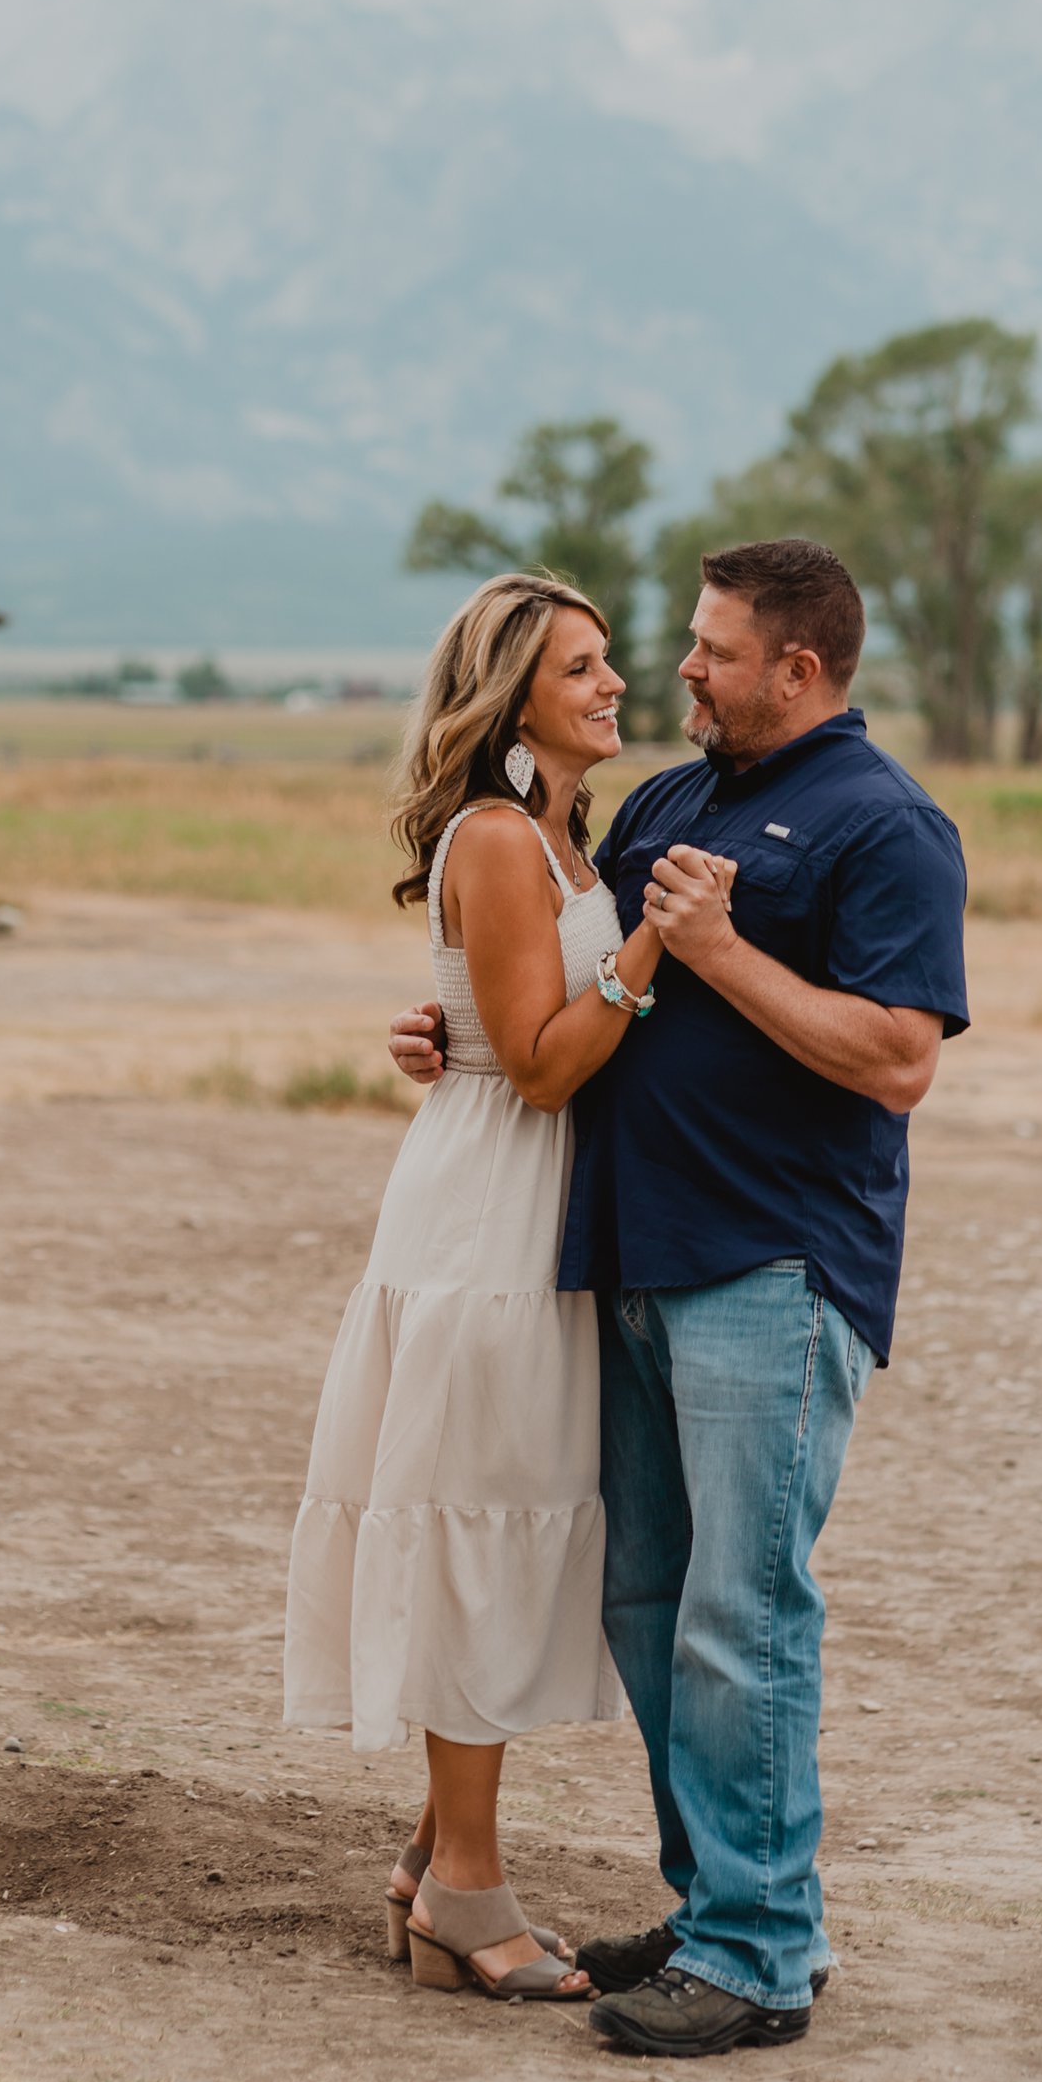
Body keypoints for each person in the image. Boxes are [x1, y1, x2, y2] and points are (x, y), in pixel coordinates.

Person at [389, 537, 968, 2057]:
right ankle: (723, 1905)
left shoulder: (886, 825)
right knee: (652, 1611)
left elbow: (900, 1059)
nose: (680, 672)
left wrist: (714, 949)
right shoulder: (671, 803)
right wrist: (452, 1034)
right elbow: (569, 993)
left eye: (714, 650)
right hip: (625, 1263)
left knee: (743, 1611)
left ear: (801, 666)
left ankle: (763, 1955)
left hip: (769, 1269)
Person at [283, 572, 725, 2004]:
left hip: (537, 1215)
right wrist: (663, 941)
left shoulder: (560, 834)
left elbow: (504, 1019)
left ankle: (430, 1866)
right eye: (580, 669)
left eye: (612, 663)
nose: (615, 686)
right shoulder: (492, 834)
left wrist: (465, 1017)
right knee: (477, 1523)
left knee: (507, 1521)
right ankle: (470, 1893)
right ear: (514, 696)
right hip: (486, 1223)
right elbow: (538, 1062)